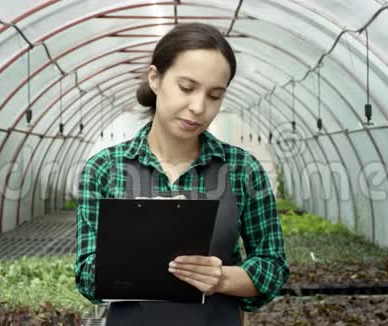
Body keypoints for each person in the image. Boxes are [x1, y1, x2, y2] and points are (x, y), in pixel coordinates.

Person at [75, 22, 289, 326]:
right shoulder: (106, 168)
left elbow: (273, 267)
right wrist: (142, 244)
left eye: (214, 95)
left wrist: (221, 278)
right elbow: (86, 277)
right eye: (186, 88)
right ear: (155, 79)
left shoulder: (242, 169)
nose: (199, 107)